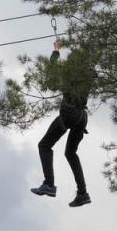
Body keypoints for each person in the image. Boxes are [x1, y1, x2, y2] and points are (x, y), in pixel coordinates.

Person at [31, 40, 93, 207]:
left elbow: (53, 67)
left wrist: (56, 50)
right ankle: (82, 193)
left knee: (44, 145)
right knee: (70, 153)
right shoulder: (89, 73)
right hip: (82, 117)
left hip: (69, 113)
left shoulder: (70, 73)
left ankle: (49, 184)